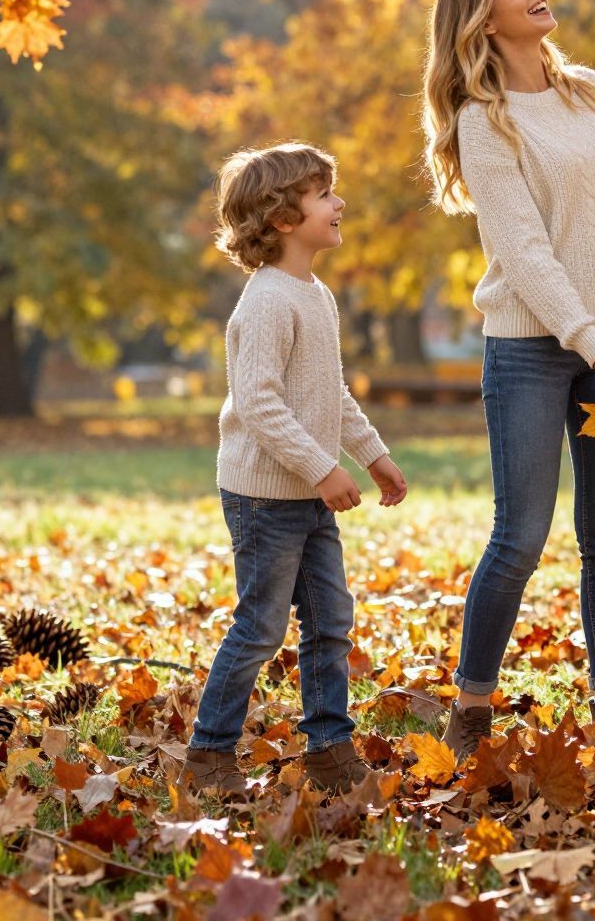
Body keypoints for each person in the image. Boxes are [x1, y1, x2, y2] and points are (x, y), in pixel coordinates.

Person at [421, 0, 595, 761]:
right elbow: (527, 255)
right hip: (530, 352)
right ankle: (471, 709)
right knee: (521, 536)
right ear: (483, 20)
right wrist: (591, 345)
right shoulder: (483, 120)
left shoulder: (587, 93)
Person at [184, 142, 409, 798]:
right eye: (324, 195)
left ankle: (329, 750)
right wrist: (320, 468)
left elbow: (328, 393)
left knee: (330, 622)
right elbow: (258, 403)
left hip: (308, 495)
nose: (339, 203)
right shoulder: (266, 302)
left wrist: (372, 455)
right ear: (284, 218)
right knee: (260, 628)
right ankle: (208, 754)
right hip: (264, 497)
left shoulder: (317, 296)